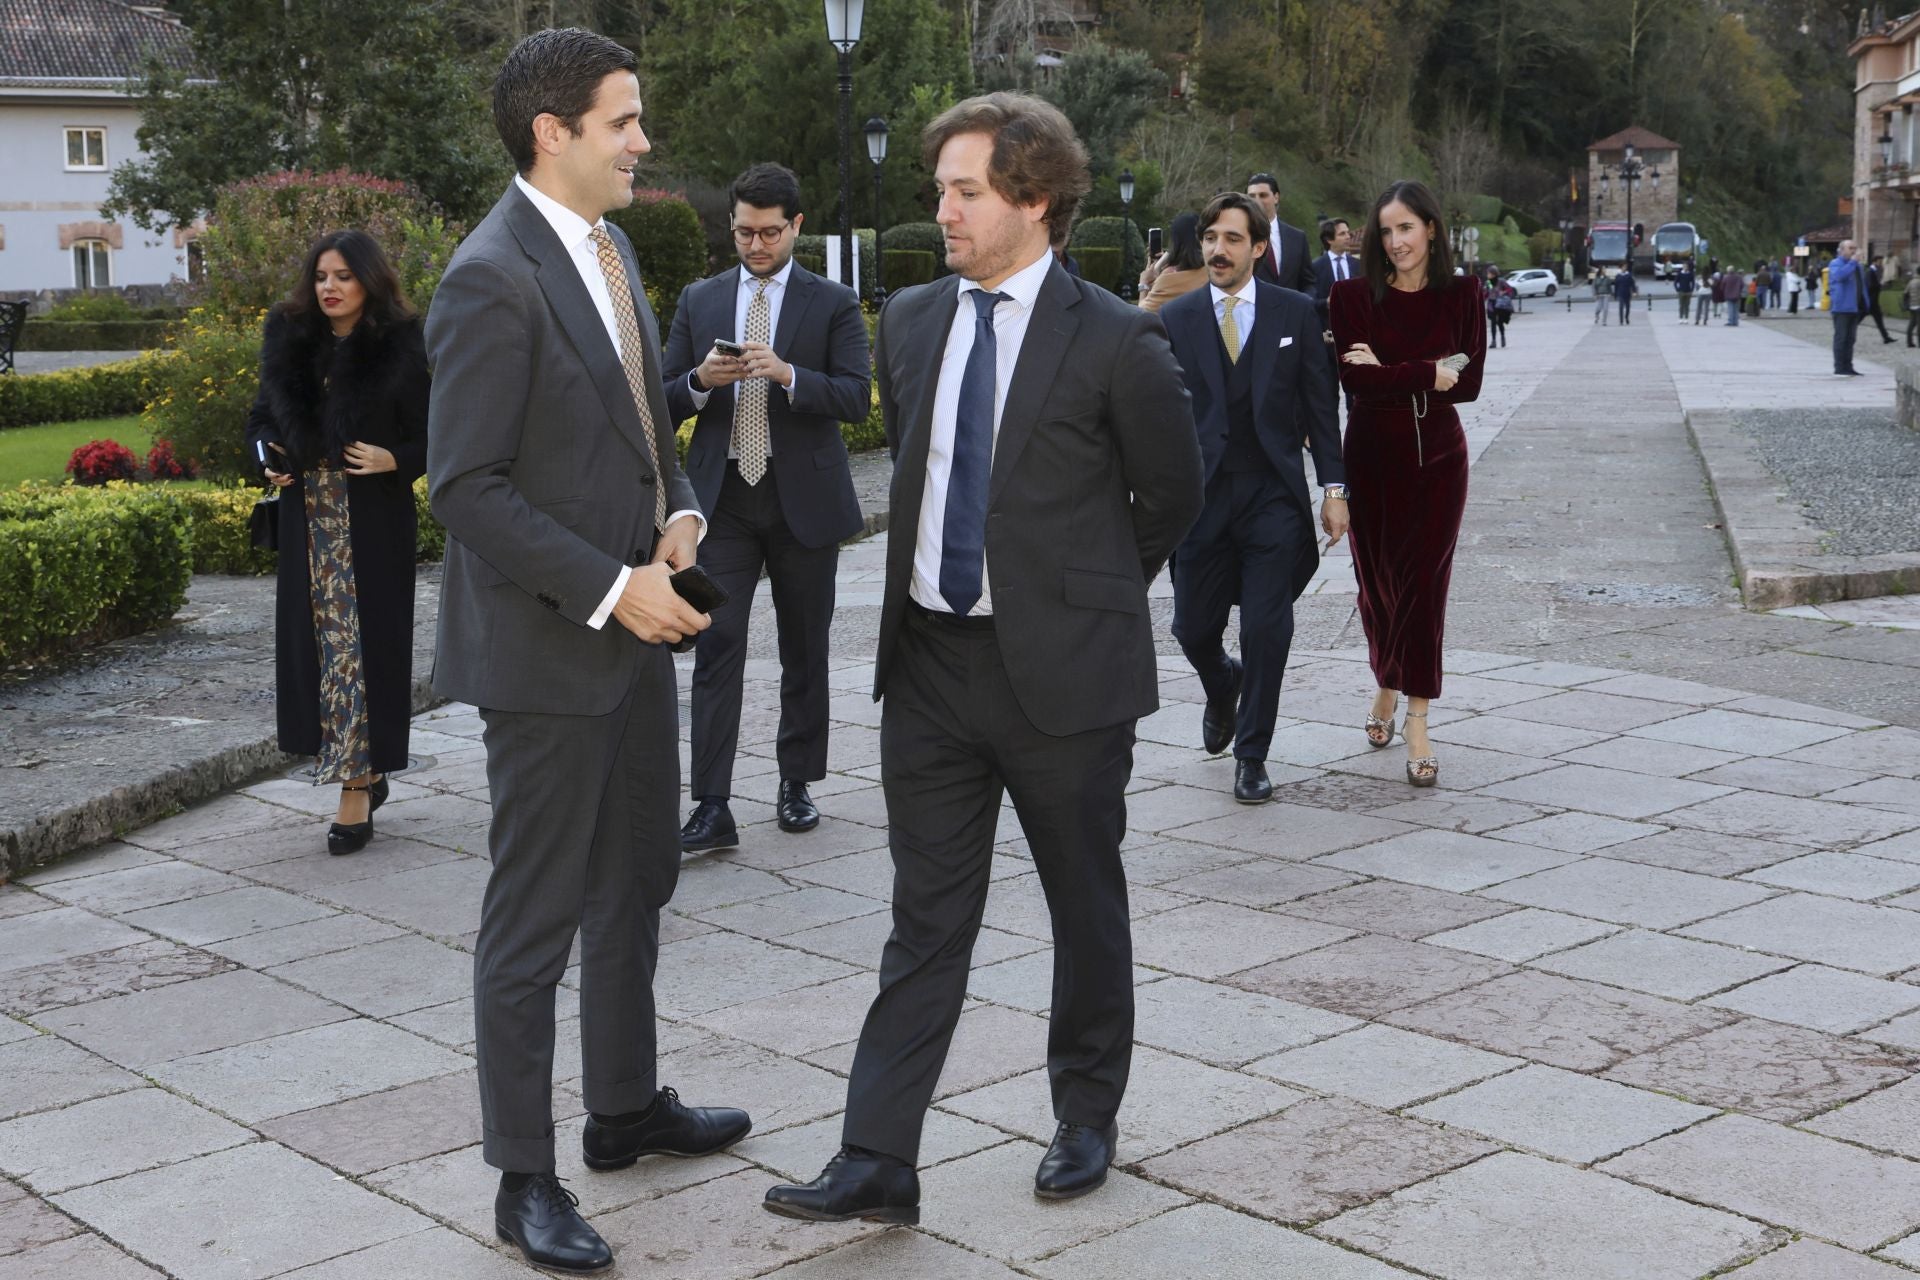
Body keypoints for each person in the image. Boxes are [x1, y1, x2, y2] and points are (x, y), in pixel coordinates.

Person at [763, 91, 1204, 1225]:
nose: (942, 211)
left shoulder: (1118, 335)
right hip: (931, 672)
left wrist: (1085, 597)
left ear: (1034, 198)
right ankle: (877, 1153)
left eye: (964, 192)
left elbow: (1172, 493)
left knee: (1083, 902)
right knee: (925, 913)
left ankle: (1086, 1111)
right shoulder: (911, 319)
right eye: (941, 189)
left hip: (1063, 683)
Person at [425, 29, 751, 1272]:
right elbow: (468, 486)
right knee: (536, 917)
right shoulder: (487, 275)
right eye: (624, 120)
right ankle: (524, 1179)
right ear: (550, 132)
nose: (643, 140)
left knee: (640, 882)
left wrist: (676, 507)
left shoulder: (611, 250)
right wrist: (617, 588)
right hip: (549, 652)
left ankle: (624, 1109)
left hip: (633, 630)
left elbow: (635, 417)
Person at [663, 163, 871, 854]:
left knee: (803, 648)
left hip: (802, 497)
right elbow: (659, 399)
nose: (756, 244)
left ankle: (797, 784)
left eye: (770, 232)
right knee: (716, 645)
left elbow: (855, 397)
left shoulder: (833, 301)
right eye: (745, 232)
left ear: (796, 227)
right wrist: (699, 381)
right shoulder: (700, 298)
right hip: (721, 500)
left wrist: (787, 375)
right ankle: (712, 803)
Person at [247, 230, 428, 857]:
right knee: (321, 653)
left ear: (369, 282)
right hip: (309, 523)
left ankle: (356, 783)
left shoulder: (402, 345)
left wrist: (393, 459)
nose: (329, 287)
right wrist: (266, 457)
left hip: (374, 522)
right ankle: (361, 770)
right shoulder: (289, 337)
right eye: (322, 275)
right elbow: (261, 419)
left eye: (344, 276)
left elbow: (441, 434)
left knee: (363, 649)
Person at [1159, 192, 1345, 804]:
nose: (1218, 248)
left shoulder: (1295, 313)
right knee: (1190, 629)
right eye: (1211, 237)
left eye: (1233, 239)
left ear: (1259, 248)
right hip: (1202, 499)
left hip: (1272, 495)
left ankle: (1253, 755)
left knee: (1268, 628)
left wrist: (1333, 488)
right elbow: (1155, 415)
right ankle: (1222, 685)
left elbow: (1322, 408)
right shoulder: (1177, 319)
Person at [1329, 179, 1484, 789]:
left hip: (1439, 459)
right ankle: (1386, 681)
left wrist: (1390, 371)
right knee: (1379, 587)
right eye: (1387, 231)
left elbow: (1467, 385)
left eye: (1407, 229)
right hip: (1370, 455)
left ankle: (1417, 718)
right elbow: (1354, 384)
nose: (1396, 242)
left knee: (1424, 584)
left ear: (1432, 230)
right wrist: (1428, 371)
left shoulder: (1464, 294)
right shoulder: (1350, 297)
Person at [1245, 172, 1312, 292]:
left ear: (1276, 197)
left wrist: (1307, 302)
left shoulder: (1297, 237)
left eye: (1263, 195)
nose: (1257, 201)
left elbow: (1308, 281)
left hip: (1293, 308)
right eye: (1252, 196)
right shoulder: (1239, 237)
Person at [1137, 211, 1208, 313]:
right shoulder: (1213, 273)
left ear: (1175, 241)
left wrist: (1143, 284)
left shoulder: (1168, 278)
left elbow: (1142, 315)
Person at [1309, 216, 1358, 325]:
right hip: (1328, 329)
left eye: (1348, 233)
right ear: (1329, 240)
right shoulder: (1315, 267)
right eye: (1342, 234)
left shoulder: (1359, 264)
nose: (1348, 237)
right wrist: (1326, 303)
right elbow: (1310, 301)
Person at [1830, 240, 1866, 375]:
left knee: (1851, 339)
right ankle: (1839, 367)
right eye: (1850, 248)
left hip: (1855, 307)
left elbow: (1862, 286)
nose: (1853, 251)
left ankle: (1848, 366)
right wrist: (1853, 262)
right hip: (1841, 308)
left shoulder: (1858, 266)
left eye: (1855, 248)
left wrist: (1866, 303)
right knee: (1841, 338)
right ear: (1841, 250)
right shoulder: (1836, 263)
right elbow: (1839, 276)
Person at [1868, 255, 1895, 343]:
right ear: (1874, 262)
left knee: (1879, 321)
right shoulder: (1870, 271)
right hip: (1870, 302)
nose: (1880, 263)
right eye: (1879, 262)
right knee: (1857, 320)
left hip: (1874, 302)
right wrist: (1880, 284)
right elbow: (1870, 286)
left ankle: (1886, 337)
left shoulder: (1876, 270)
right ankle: (1847, 334)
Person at [1488, 276, 1514, 347]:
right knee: (1493, 323)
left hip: (1500, 304)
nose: (1489, 275)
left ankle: (1502, 337)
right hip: (1491, 304)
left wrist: (1504, 292)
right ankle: (1493, 341)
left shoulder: (1501, 281)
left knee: (1500, 322)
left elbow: (1509, 289)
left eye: (1490, 273)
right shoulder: (1489, 282)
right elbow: (1487, 292)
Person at [1904, 269, 1920, 346]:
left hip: (1912, 305)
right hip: (1918, 305)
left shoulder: (1911, 281)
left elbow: (1905, 293)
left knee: (1912, 324)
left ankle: (1909, 342)